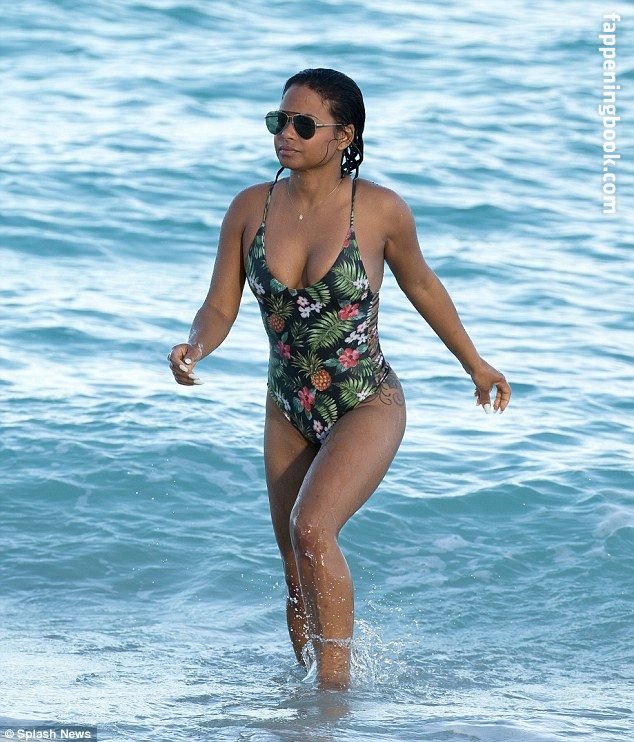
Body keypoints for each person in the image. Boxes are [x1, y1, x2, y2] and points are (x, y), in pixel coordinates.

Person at [168, 68, 511, 691]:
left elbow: (423, 285)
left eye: (303, 124)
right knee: (294, 564)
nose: (286, 134)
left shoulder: (379, 210)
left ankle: (335, 693)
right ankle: (307, 702)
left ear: (343, 135)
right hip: (287, 405)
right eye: (279, 121)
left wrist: (475, 363)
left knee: (312, 528)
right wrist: (196, 345)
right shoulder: (249, 208)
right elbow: (219, 305)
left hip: (366, 400)